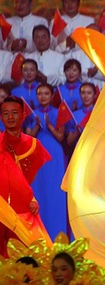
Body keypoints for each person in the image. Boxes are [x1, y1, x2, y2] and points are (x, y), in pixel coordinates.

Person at [0, 96, 50, 256]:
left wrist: (33, 199)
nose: (10, 117)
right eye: (5, 113)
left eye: (14, 112)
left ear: (23, 115)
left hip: (24, 209)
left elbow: (36, 181)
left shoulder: (34, 146)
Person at [27, 83, 70, 239]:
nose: (43, 96)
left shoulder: (59, 112)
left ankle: (57, 234)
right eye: (40, 93)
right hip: (37, 153)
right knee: (38, 193)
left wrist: (50, 126)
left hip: (55, 155)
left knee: (55, 193)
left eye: (46, 93)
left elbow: (60, 137)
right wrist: (37, 125)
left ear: (52, 96)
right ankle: (38, 236)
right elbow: (28, 137)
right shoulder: (32, 114)